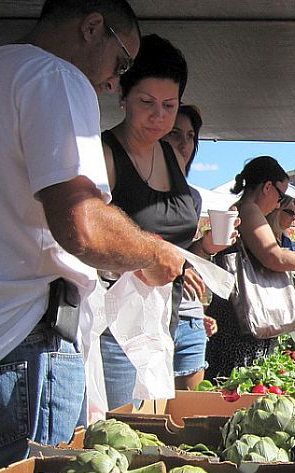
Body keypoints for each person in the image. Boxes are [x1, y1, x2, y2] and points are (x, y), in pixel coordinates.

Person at [0, 0, 186, 473]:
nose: (115, 82)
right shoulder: (53, 77)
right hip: (17, 352)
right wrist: (154, 252)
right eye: (122, 62)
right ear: (93, 28)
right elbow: (82, 224)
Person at [98, 34, 224, 409]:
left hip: (162, 319)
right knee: (124, 426)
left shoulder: (170, 155)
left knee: (154, 424)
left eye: (169, 105)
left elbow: (172, 240)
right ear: (123, 96)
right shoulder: (105, 155)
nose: (159, 116)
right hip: (114, 325)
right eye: (146, 102)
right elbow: (91, 237)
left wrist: (196, 257)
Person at [205, 156, 295, 378]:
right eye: (281, 195)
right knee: (239, 388)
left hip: (234, 319)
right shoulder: (249, 209)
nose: (279, 203)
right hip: (242, 324)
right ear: (267, 187)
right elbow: (274, 257)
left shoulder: (241, 209)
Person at [162, 104, 223, 389]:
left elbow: (183, 257)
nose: (184, 144)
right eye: (175, 134)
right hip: (144, 320)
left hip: (189, 319)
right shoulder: (131, 189)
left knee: (186, 417)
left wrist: (205, 246)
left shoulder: (192, 198)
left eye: (190, 136)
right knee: (138, 417)